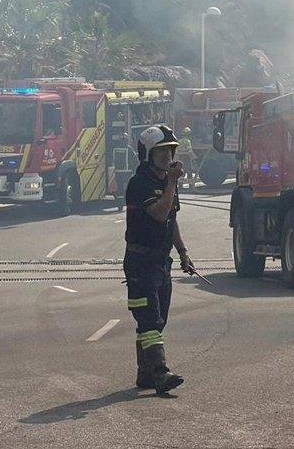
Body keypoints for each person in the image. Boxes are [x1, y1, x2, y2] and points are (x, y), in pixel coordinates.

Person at [123, 124, 196, 394]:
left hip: (160, 262)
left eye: (171, 151)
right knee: (149, 320)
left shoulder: (165, 182)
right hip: (140, 263)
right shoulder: (140, 183)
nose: (168, 157)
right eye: (162, 152)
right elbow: (159, 214)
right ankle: (161, 372)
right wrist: (173, 182)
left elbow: (172, 219)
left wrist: (183, 252)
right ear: (148, 155)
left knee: (156, 321)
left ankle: (145, 374)